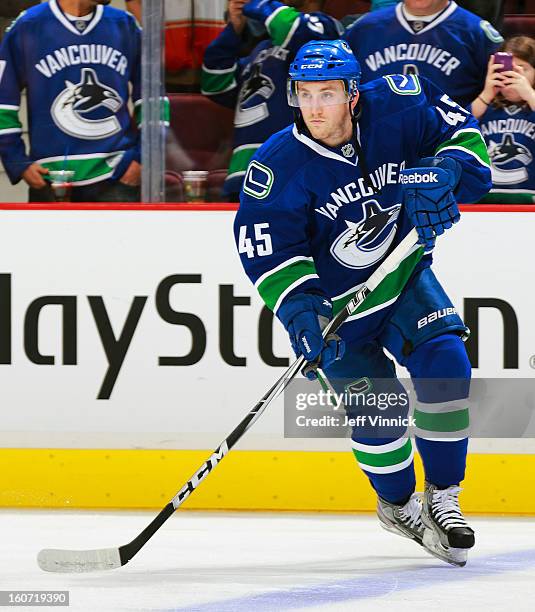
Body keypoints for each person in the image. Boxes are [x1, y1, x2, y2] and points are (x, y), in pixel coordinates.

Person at [234, 40, 491, 566]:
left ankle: (443, 495)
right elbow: (267, 248)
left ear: (353, 95)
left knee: (446, 362)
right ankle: (397, 505)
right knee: (382, 415)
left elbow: (464, 134)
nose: (314, 108)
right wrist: (302, 309)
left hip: (399, 278)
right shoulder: (277, 166)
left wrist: (446, 171)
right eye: (304, 95)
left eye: (327, 94)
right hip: (337, 313)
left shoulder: (402, 102)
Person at [0, 0, 144, 202]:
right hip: (49, 176)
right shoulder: (28, 25)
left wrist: (141, 158)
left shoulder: (125, 24)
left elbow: (152, 99)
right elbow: (2, 102)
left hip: (117, 174)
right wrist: (17, 162)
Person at [202, 0, 343, 201]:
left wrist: (257, 3)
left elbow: (295, 30)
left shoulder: (329, 29)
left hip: (290, 171)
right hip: (244, 172)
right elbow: (215, 84)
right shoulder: (262, 48)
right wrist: (234, 29)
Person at [343, 0, 503, 108]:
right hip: (375, 144)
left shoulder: (479, 34)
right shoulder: (362, 30)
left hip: (449, 146)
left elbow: (499, 105)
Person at [472, 36, 535, 203]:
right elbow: (457, 125)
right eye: (506, 68)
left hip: (530, 197)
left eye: (522, 68)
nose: (512, 75)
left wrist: (529, 94)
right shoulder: (484, 106)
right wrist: (487, 93)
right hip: (485, 198)